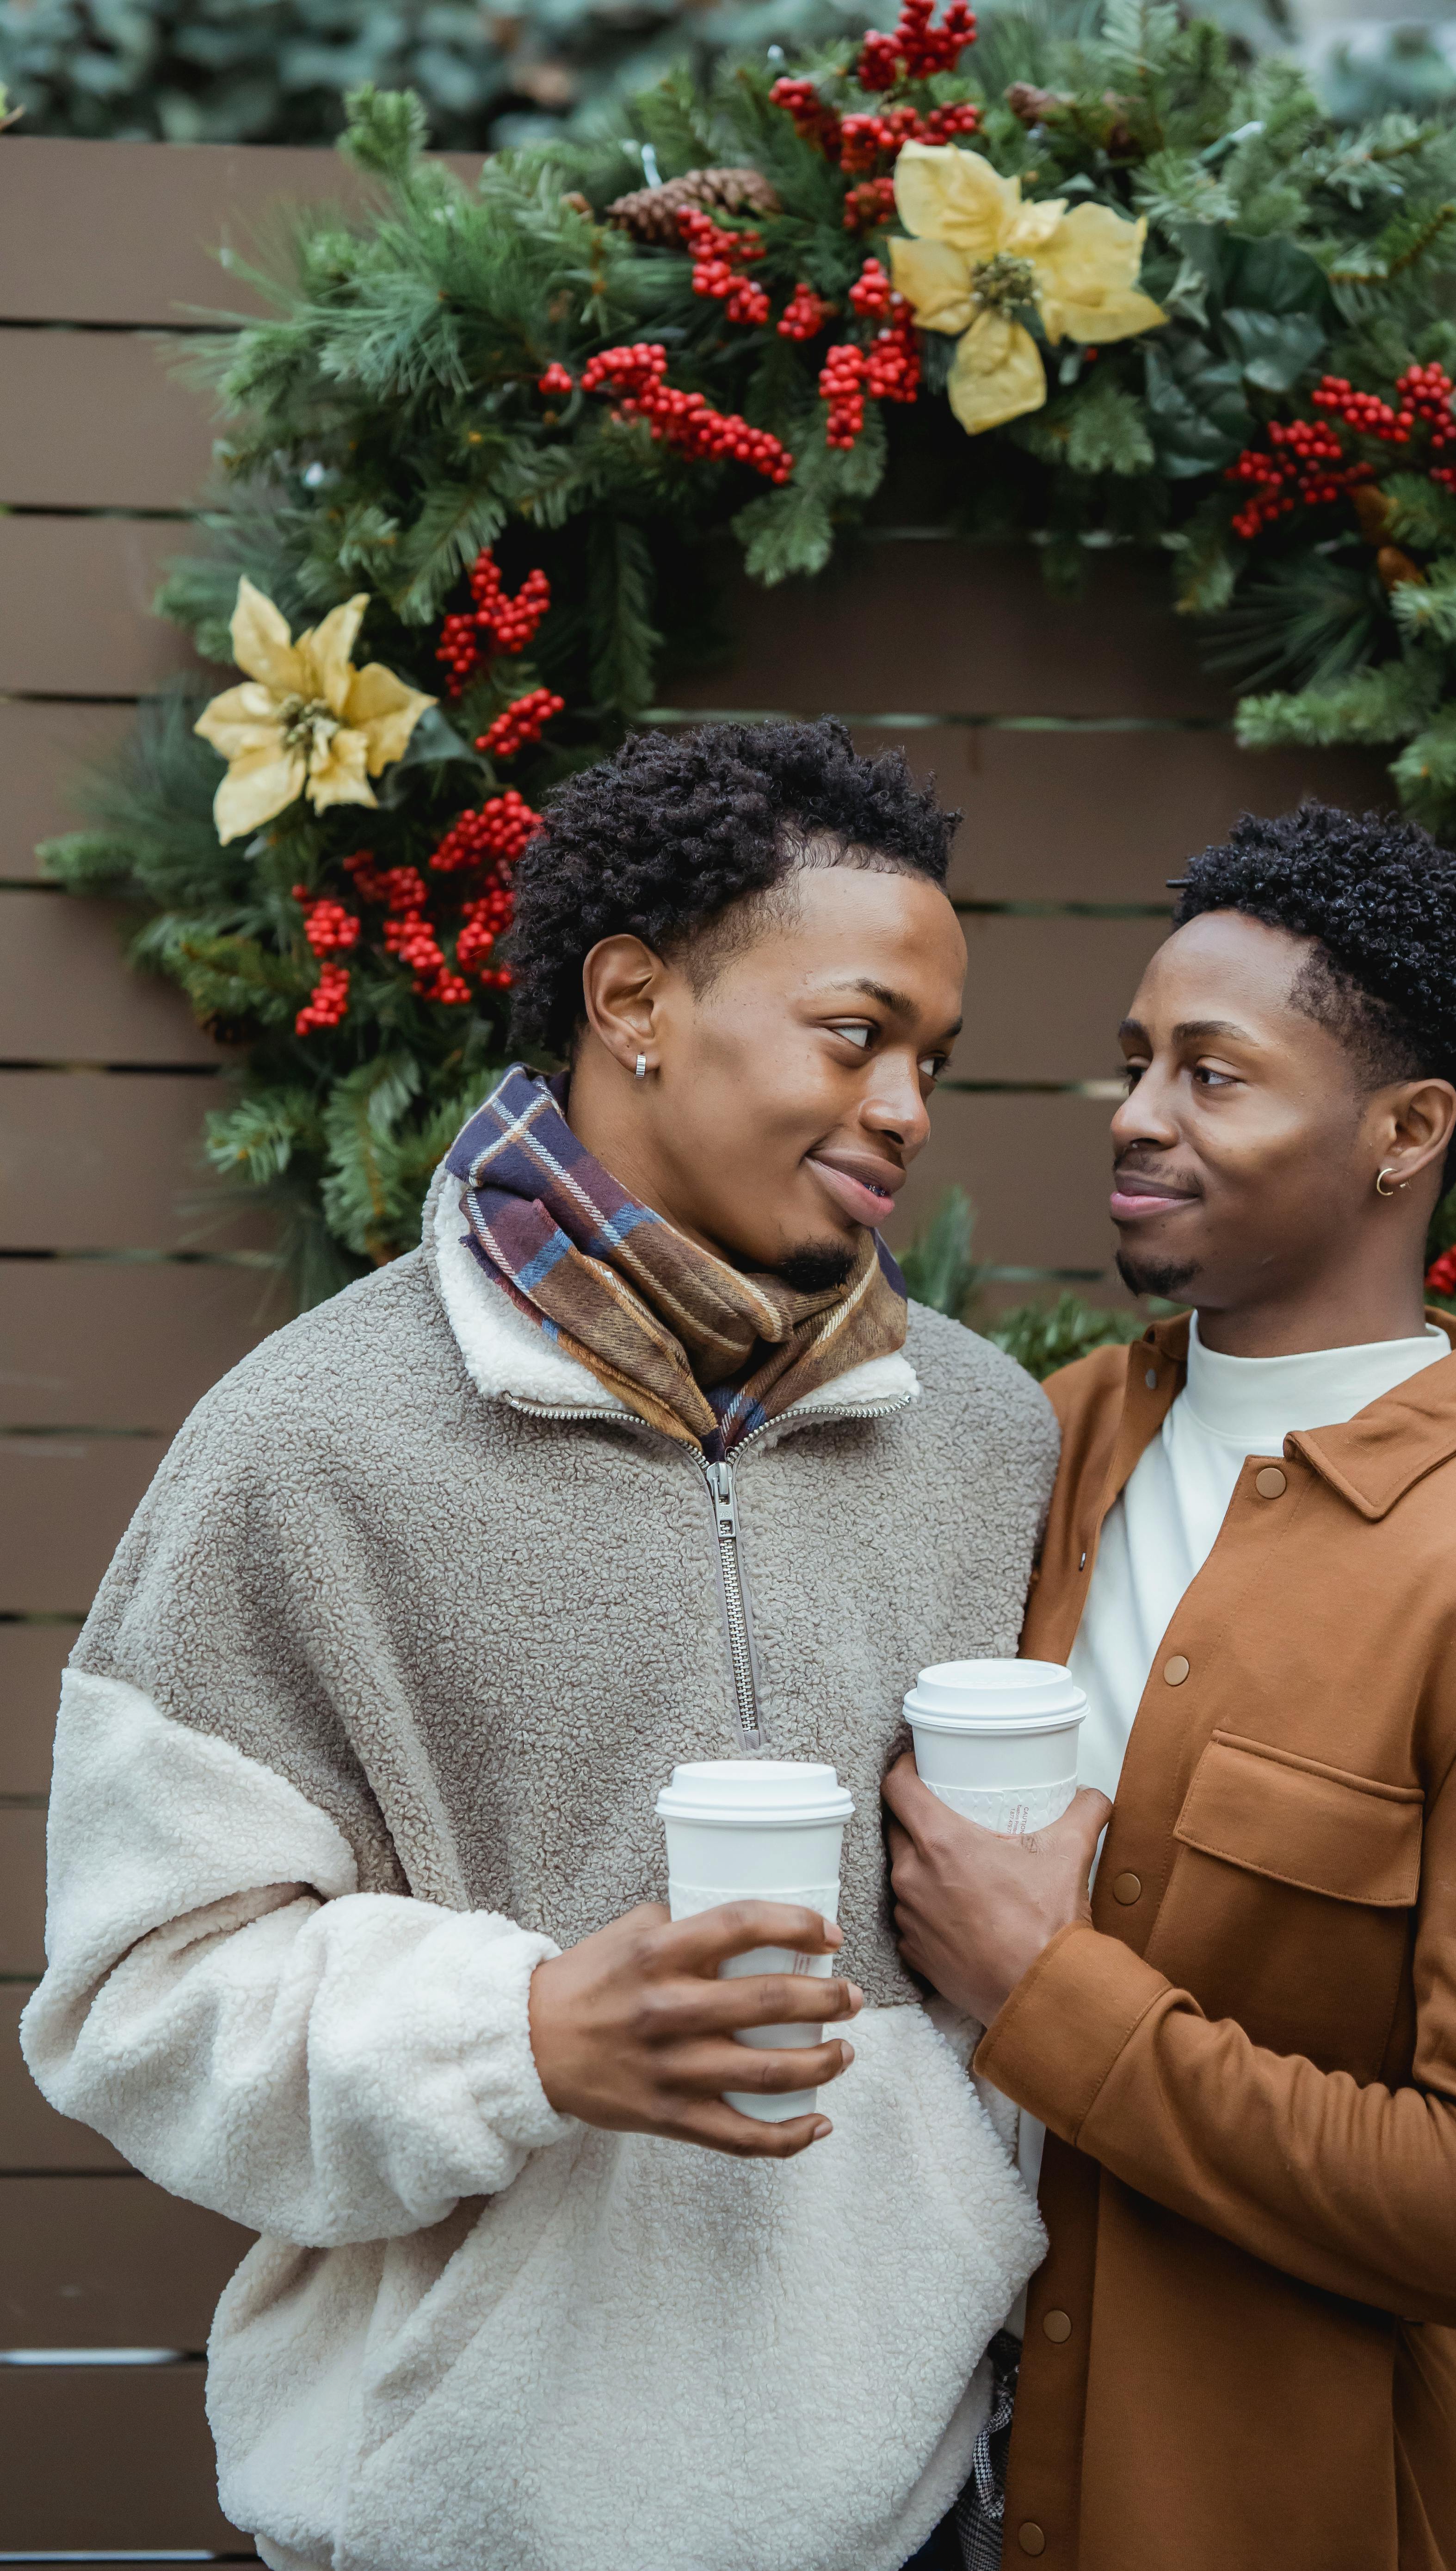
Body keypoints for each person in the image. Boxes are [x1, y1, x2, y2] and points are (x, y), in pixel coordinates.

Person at [23, 718, 1059, 2571]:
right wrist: (517, 2031)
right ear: (638, 999)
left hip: (908, 2513)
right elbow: (136, 1991)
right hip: (455, 2519)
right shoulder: (311, 1439)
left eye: (934, 1059)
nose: (907, 1105)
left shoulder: (987, 1439)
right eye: (856, 1032)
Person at [883, 803, 1456, 2571]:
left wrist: (1049, 1991)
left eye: (1213, 1077)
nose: (1138, 1117)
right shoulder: (1042, 1444)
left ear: (1403, 1133)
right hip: (905, 2499)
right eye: (1135, 1064)